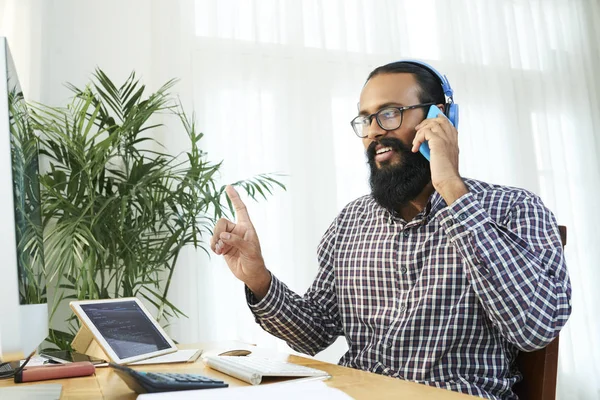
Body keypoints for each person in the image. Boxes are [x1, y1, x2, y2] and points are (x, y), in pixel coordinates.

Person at [210, 61, 571, 400]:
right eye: (366, 119)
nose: (373, 132)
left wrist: (451, 188)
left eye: (389, 113)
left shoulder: (513, 208)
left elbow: (535, 328)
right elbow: (314, 334)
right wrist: (259, 279)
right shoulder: (352, 221)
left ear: (439, 118)